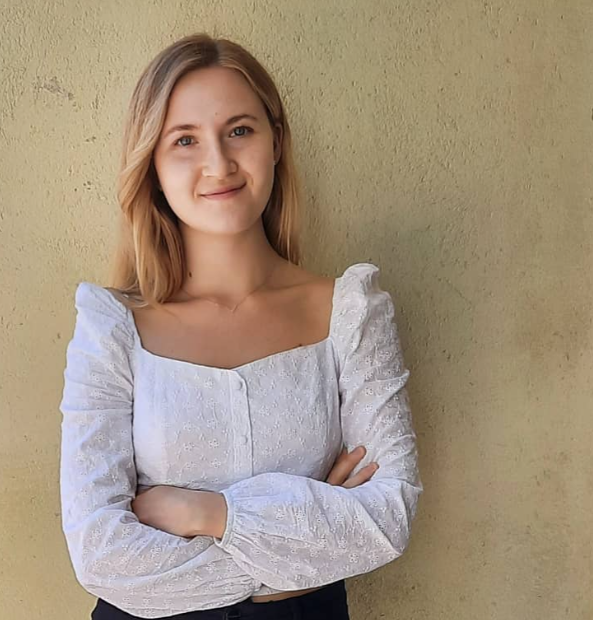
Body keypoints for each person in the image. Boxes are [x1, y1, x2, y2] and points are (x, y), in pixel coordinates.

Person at [58, 33, 423, 619]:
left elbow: (388, 517)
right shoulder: (113, 329)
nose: (218, 164)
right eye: (184, 140)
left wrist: (210, 515)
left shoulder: (352, 313)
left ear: (275, 141)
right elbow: (100, 553)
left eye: (239, 130)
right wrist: (304, 545)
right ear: (152, 165)